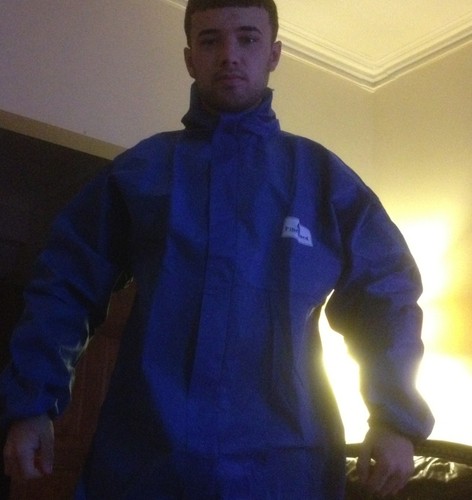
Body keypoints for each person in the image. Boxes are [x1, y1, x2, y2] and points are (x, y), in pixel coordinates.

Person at [1, 0, 434, 498]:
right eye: (210, 40)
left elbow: (387, 296)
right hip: (142, 463)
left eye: (247, 38)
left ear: (273, 54)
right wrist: (31, 404)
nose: (229, 54)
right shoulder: (141, 173)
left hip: (286, 470)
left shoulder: (324, 181)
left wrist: (394, 419)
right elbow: (64, 285)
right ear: (190, 59)